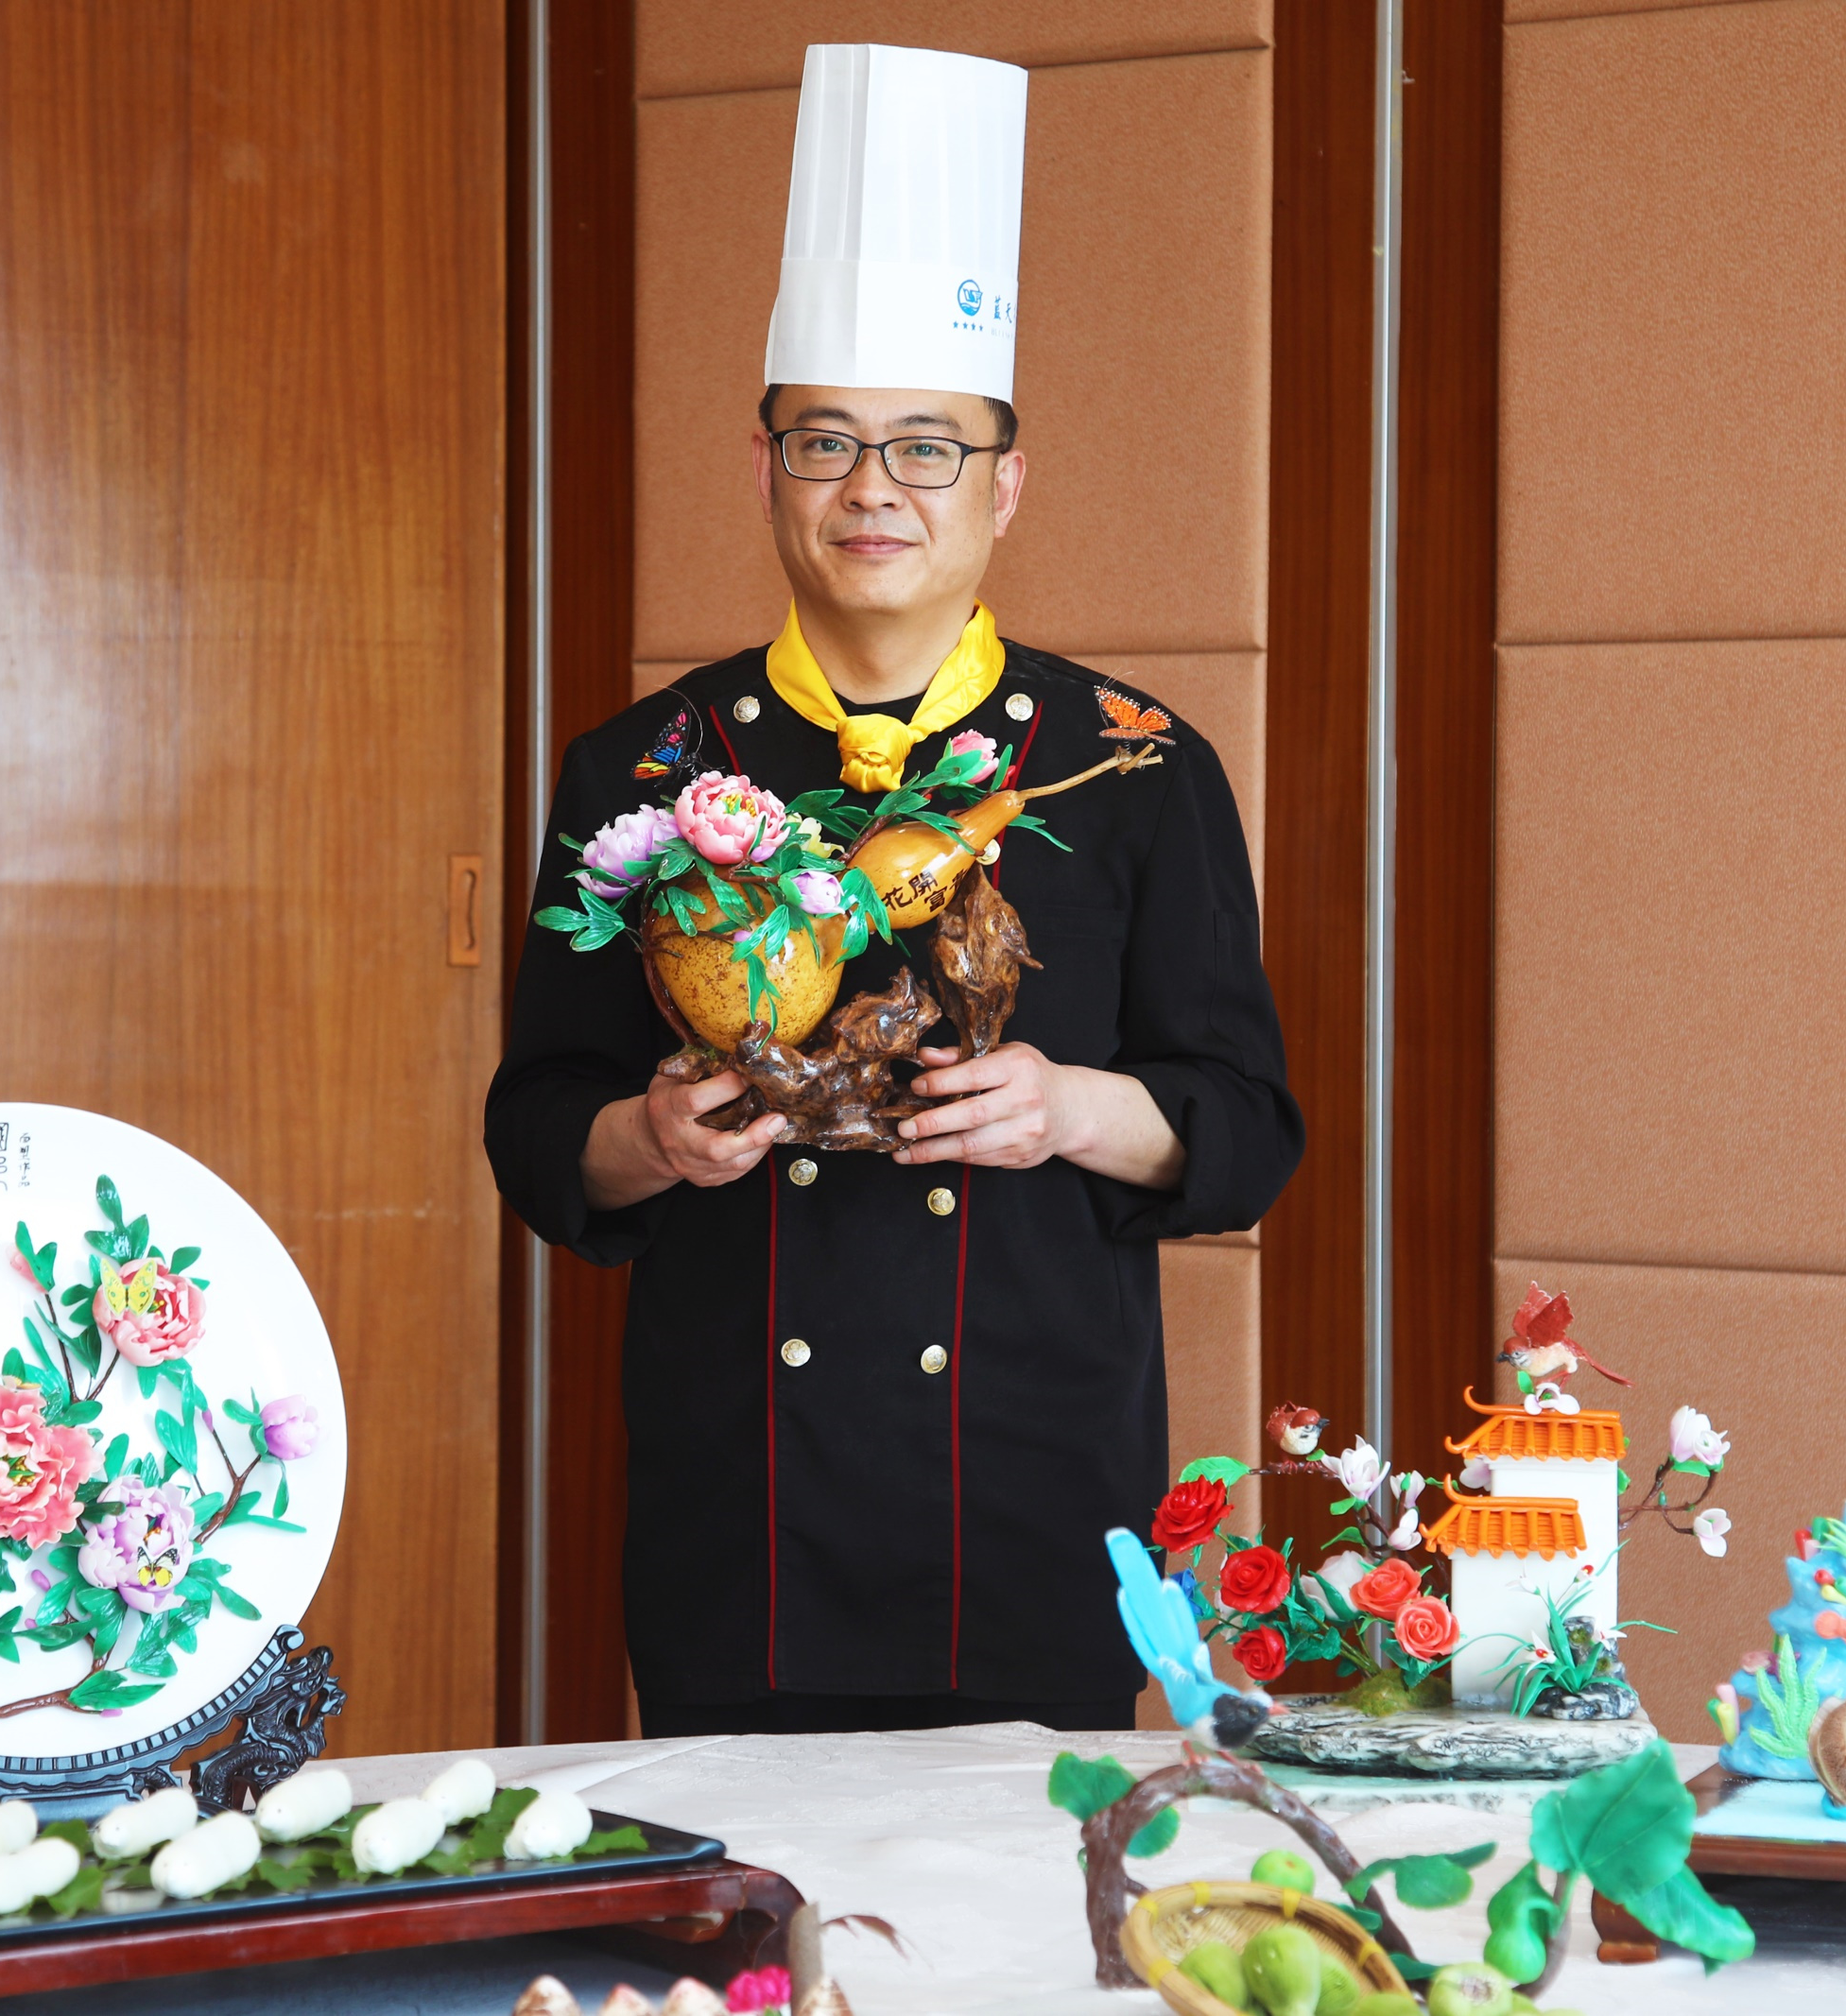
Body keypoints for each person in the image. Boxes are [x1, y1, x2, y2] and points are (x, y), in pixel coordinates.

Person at [486, 43, 1300, 1737]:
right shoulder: (644, 767)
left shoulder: (1134, 764)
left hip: (1032, 1492)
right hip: (740, 1511)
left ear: (1006, 480)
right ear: (765, 466)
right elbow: (539, 1121)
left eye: (929, 446)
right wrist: (653, 1135)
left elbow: (1247, 1125)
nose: (874, 488)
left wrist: (1069, 1107)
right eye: (827, 441)